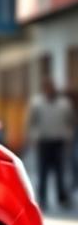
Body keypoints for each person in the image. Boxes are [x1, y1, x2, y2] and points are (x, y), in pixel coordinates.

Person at [27, 75, 74, 211]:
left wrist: (68, 135)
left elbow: (70, 120)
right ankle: (42, 198)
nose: (49, 90)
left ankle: (62, 198)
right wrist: (33, 136)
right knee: (43, 171)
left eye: (51, 87)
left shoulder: (64, 103)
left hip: (59, 141)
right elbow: (31, 121)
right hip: (44, 141)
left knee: (60, 172)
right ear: (44, 89)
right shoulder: (37, 103)